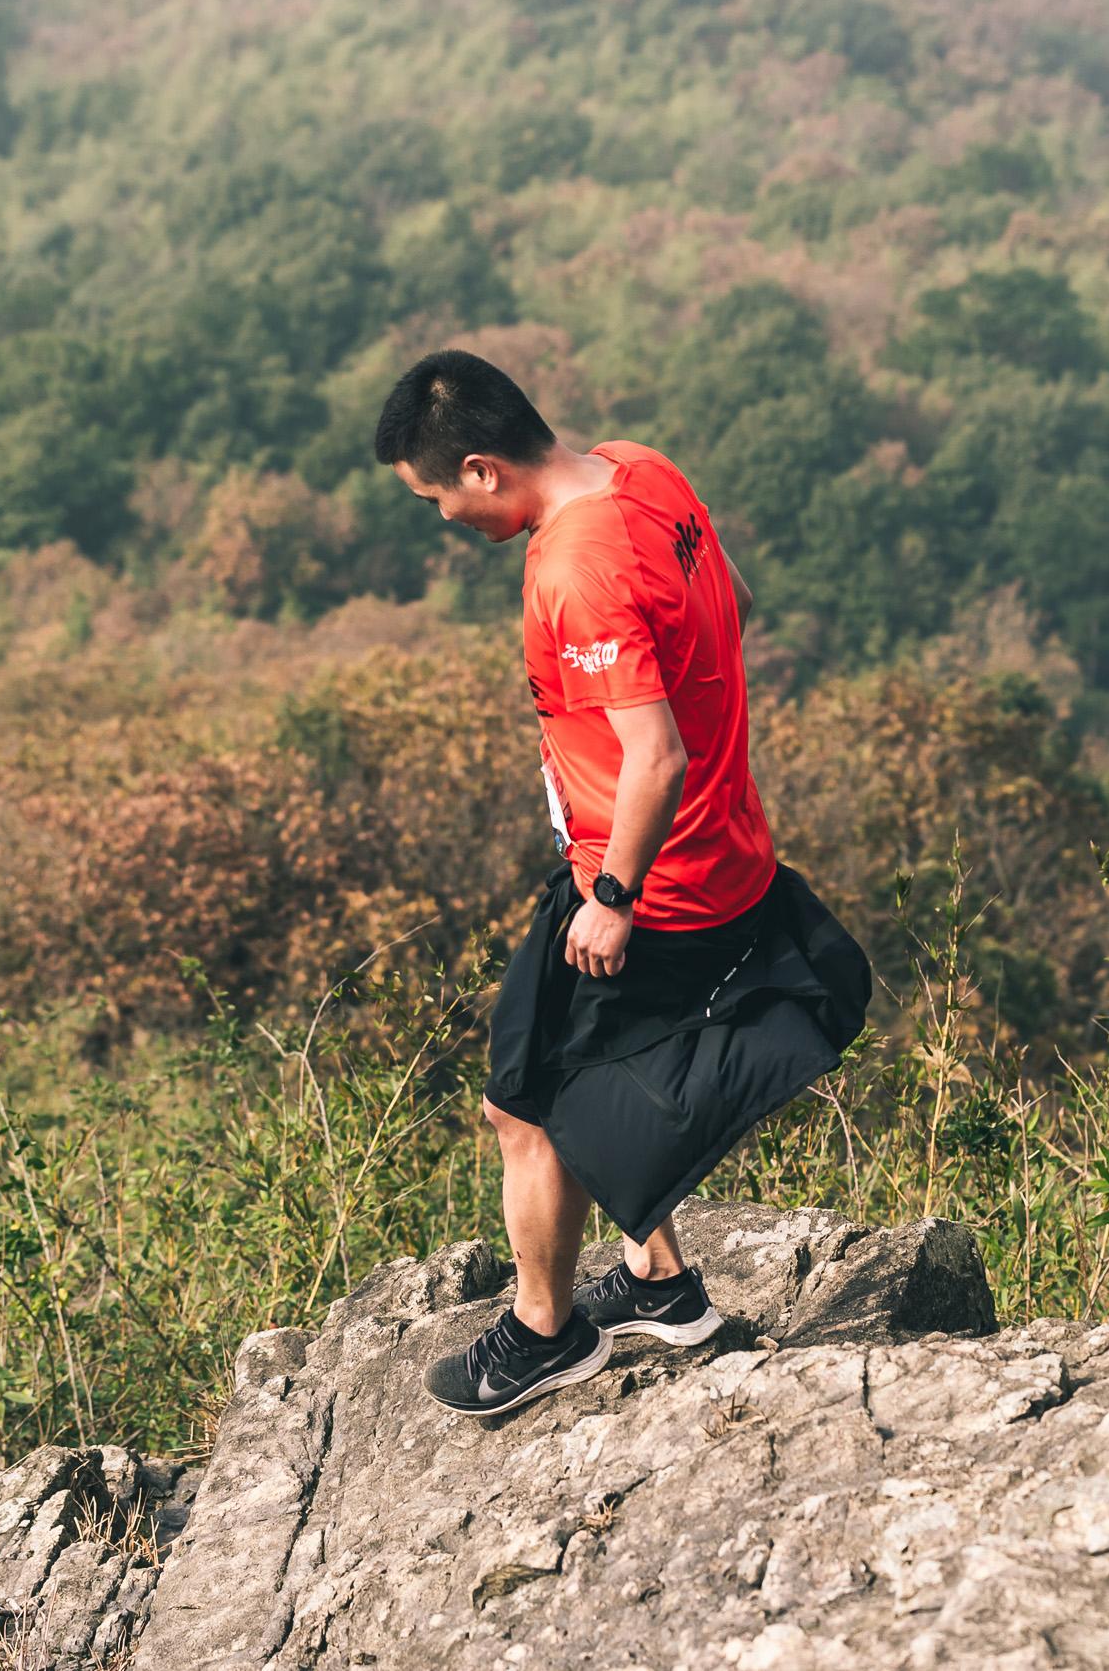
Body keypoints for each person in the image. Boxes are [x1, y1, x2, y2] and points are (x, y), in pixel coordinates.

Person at [373, 348, 866, 1420]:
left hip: (650, 882)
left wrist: (614, 898)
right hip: (709, 848)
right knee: (581, 1065)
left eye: (436, 496)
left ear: (482, 469)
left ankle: (544, 1333)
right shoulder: (642, 469)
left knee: (525, 1107)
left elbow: (656, 756)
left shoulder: (574, 567)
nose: (443, 518)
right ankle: (657, 1278)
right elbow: (728, 606)